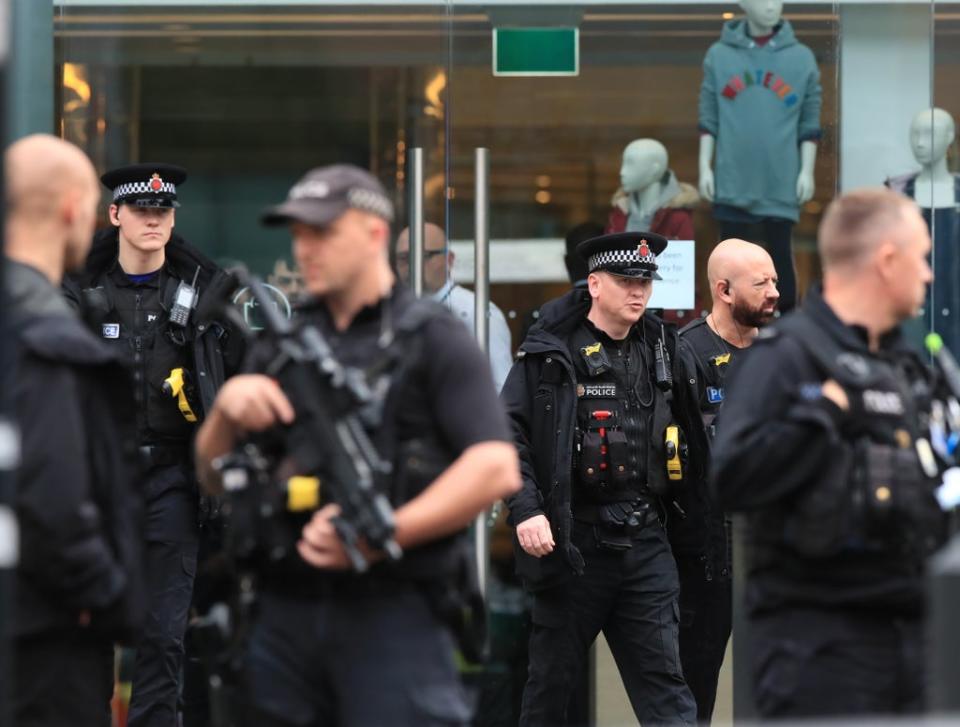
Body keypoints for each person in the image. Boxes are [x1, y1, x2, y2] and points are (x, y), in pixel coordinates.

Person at [194, 163, 521, 727]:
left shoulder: (433, 336)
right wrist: (224, 413)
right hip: (284, 616)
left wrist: (384, 534)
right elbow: (213, 474)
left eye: (322, 232)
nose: (305, 250)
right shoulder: (285, 343)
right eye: (297, 235)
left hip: (394, 616)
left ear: (374, 235)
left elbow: (495, 467)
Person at [712, 188, 948, 719]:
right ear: (887, 261)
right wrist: (822, 415)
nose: (928, 275)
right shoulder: (788, 357)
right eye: (921, 257)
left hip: (910, 641)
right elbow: (733, 478)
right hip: (819, 653)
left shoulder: (903, 364)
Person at [63, 162, 245, 727]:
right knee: (90, 630)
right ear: (115, 214)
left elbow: (241, 381)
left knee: (163, 633)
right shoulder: (78, 294)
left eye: (162, 212)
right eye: (141, 210)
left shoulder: (202, 298)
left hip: (173, 481)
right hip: (98, 484)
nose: (152, 221)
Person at [502, 230, 706, 726]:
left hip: (645, 541)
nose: (638, 291)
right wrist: (526, 510)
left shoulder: (663, 347)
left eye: (645, 281)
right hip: (575, 547)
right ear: (594, 284)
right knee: (551, 688)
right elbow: (506, 433)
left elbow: (695, 438)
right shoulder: (550, 353)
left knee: (667, 690)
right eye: (624, 280)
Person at [6, 134, 145, 726]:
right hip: (43, 638)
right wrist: (112, 597)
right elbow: (55, 494)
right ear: (71, 209)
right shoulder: (46, 334)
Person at [672, 238, 779, 722]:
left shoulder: (785, 350)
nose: (775, 291)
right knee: (697, 688)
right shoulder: (685, 353)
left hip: (777, 550)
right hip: (707, 555)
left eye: (774, 280)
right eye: (762, 284)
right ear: (724, 290)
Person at [395, 221, 513, 390]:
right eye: (403, 258)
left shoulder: (476, 311)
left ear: (449, 259)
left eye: (424, 256)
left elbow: (502, 388)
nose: (412, 265)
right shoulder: (394, 311)